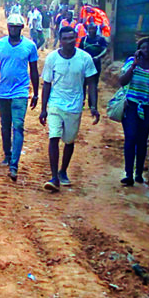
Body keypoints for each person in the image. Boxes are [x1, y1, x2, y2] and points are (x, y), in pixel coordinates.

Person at [39, 26, 99, 192]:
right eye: (65, 38)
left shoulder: (85, 58)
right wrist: (43, 109)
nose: (68, 42)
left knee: (69, 141)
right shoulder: (52, 59)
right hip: (56, 104)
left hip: (75, 105)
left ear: (76, 39)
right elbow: (47, 84)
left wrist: (93, 106)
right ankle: (54, 177)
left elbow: (92, 83)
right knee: (54, 136)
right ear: (60, 40)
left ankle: (63, 170)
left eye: (71, 38)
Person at [0, 13, 40, 183]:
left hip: (21, 92)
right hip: (3, 92)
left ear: (22, 28)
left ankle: (14, 165)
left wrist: (36, 93)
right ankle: (7, 155)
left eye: (17, 27)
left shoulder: (30, 46)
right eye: (11, 26)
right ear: (7, 27)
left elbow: (34, 71)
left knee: (19, 126)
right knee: (5, 126)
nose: (13, 29)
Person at [117, 36, 149, 186]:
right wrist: (134, 65)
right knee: (131, 137)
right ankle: (128, 174)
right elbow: (122, 81)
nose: (146, 51)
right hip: (131, 105)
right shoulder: (132, 63)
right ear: (139, 50)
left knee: (142, 139)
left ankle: (139, 172)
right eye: (143, 48)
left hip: (148, 107)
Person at [79, 23, 109, 90]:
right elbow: (79, 51)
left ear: (96, 29)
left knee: (94, 83)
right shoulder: (84, 40)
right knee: (83, 83)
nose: (92, 30)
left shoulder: (100, 39)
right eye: (90, 29)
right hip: (85, 64)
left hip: (96, 64)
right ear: (87, 30)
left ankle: (92, 99)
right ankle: (83, 99)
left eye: (93, 28)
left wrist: (98, 57)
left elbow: (105, 50)